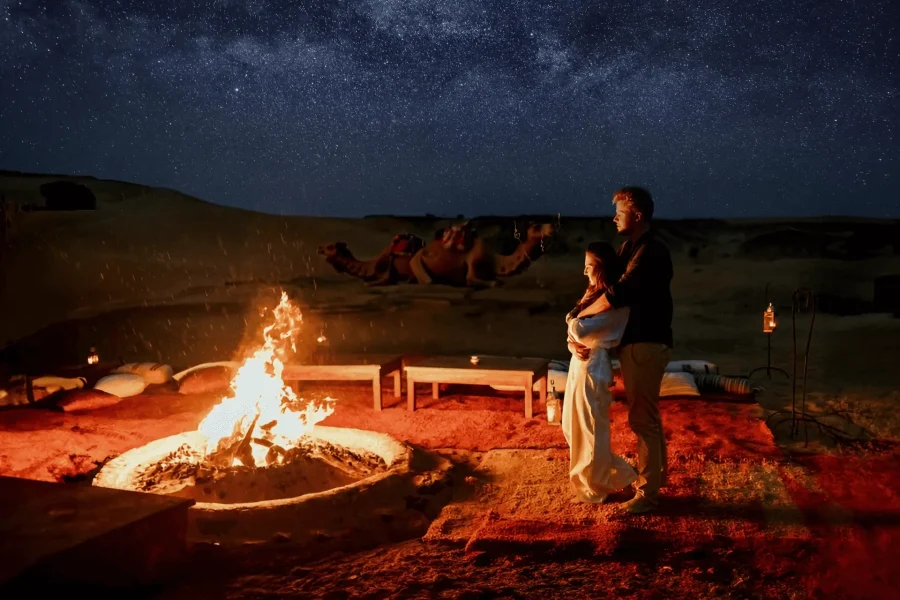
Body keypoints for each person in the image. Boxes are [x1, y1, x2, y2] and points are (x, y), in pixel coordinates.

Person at [578, 187, 674, 514]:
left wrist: (580, 319)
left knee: (642, 419)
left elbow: (619, 293)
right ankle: (657, 479)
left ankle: (648, 494)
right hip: (638, 343)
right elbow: (604, 281)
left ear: (637, 215)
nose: (614, 217)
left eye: (619, 212)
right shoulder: (630, 248)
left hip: (646, 343)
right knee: (648, 417)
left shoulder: (651, 251)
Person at [562, 242, 636, 504]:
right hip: (579, 362)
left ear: (602, 269)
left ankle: (596, 489)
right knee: (571, 427)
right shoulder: (593, 296)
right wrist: (571, 341)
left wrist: (573, 328)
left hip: (594, 365)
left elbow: (580, 330)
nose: (585, 273)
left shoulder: (617, 304)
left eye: (589, 267)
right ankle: (622, 475)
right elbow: (575, 328)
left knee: (591, 430)